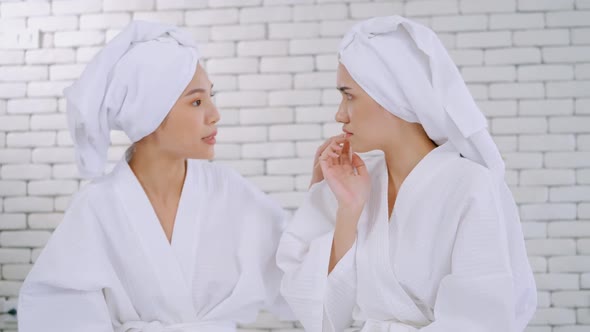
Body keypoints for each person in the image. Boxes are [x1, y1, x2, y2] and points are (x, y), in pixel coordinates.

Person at [18, 21, 290, 332]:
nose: (215, 114)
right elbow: (58, 312)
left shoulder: (227, 190)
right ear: (149, 112)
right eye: (197, 101)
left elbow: (299, 269)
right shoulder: (96, 207)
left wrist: (336, 200)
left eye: (211, 97)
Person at [277, 15, 537, 332]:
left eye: (349, 95)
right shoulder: (351, 180)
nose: (339, 113)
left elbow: (481, 319)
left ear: (392, 94)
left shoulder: (471, 185)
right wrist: (349, 210)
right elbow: (324, 315)